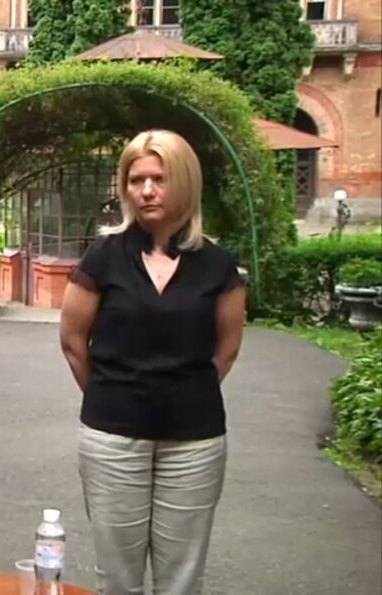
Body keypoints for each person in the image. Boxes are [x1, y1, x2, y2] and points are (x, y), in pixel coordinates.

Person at [59, 129, 246, 595]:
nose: (146, 190)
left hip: (194, 443)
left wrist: (181, 394)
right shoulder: (103, 258)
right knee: (117, 579)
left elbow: (227, 349)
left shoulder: (218, 266)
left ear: (184, 182)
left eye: (159, 179)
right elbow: (73, 341)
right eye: (135, 179)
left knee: (181, 580)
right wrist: (115, 394)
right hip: (112, 438)